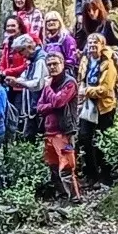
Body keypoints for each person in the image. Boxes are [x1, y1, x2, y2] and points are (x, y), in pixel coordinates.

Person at [35, 51, 81, 202]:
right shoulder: (50, 82)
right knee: (53, 167)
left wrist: (48, 90)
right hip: (49, 131)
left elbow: (58, 102)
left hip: (64, 131)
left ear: (62, 63)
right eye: (49, 65)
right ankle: (62, 196)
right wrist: (51, 104)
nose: (52, 67)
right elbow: (39, 107)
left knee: (67, 166)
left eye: (55, 64)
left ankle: (74, 199)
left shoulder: (69, 82)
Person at [77, 33, 118, 189]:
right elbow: (81, 78)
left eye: (96, 42)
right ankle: (91, 174)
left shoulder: (108, 63)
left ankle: (106, 174)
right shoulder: (86, 59)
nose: (92, 45)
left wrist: (86, 91)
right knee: (84, 138)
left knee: (102, 140)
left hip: (104, 107)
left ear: (102, 45)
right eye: (90, 42)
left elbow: (106, 89)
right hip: (88, 107)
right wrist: (82, 88)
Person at [6, 35, 48, 141]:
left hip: (40, 105)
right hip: (31, 106)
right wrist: (15, 81)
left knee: (37, 137)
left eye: (20, 52)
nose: (21, 55)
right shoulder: (31, 60)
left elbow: (38, 83)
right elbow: (25, 76)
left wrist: (21, 83)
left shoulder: (40, 60)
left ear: (28, 47)